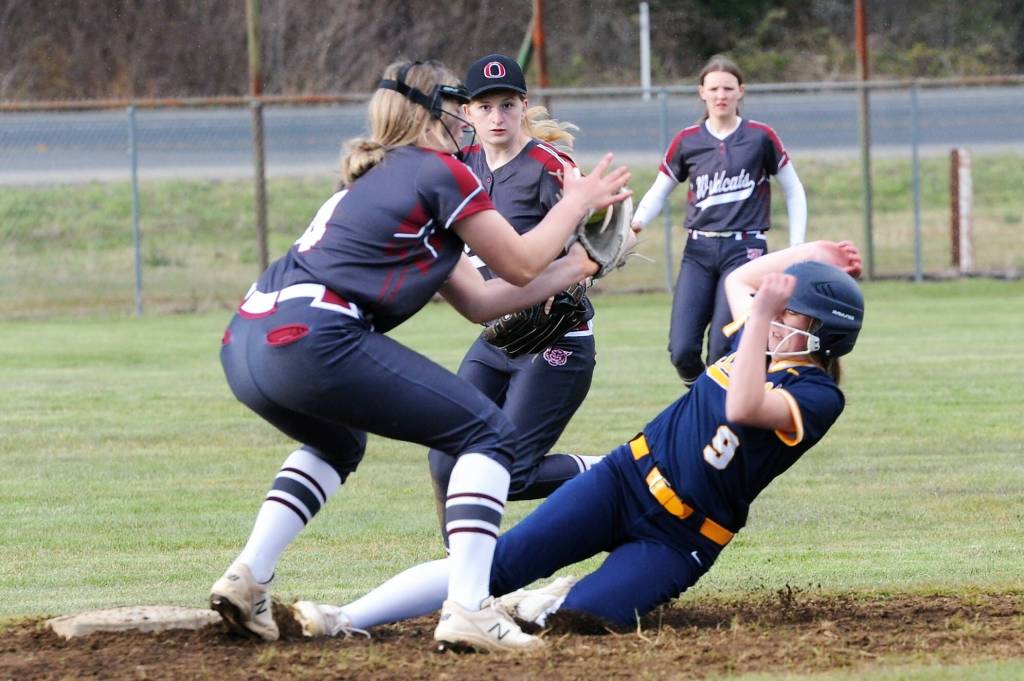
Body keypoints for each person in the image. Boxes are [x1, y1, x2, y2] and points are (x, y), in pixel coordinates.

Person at [208, 58, 632, 652]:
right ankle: (469, 609)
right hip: (315, 334)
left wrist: (581, 264)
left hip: (247, 339)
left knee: (338, 442)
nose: (469, 114)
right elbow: (518, 262)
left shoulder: (380, 177)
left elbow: (483, 300)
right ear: (431, 111)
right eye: (458, 102)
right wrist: (576, 202)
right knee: (490, 437)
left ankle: (249, 575)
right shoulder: (439, 170)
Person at [289, 238, 864, 644]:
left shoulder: (816, 395)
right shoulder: (759, 343)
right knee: (493, 563)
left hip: (682, 534)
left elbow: (743, 405)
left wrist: (763, 315)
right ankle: (344, 617)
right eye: (781, 310)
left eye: (796, 316)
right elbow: (742, 278)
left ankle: (543, 602)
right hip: (623, 478)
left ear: (824, 338)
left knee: (585, 619)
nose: (778, 315)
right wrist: (811, 255)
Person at [426, 54, 603, 546]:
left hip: (557, 343)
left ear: (524, 106)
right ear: (468, 113)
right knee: (445, 458)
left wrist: (571, 283)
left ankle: (609, 468)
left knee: (508, 475)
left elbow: (596, 246)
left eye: (507, 104)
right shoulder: (460, 167)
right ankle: (463, 578)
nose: (497, 117)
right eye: (485, 107)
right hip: (499, 337)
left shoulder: (552, 167)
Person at [631, 54, 808, 387]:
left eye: (728, 88)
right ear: (701, 92)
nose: (721, 95)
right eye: (713, 88)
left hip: (746, 252)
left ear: (741, 91)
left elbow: (794, 189)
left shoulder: (760, 137)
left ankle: (719, 409)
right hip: (699, 250)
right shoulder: (688, 140)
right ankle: (705, 397)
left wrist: (795, 247)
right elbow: (658, 191)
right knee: (682, 350)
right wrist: (635, 224)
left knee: (721, 350)